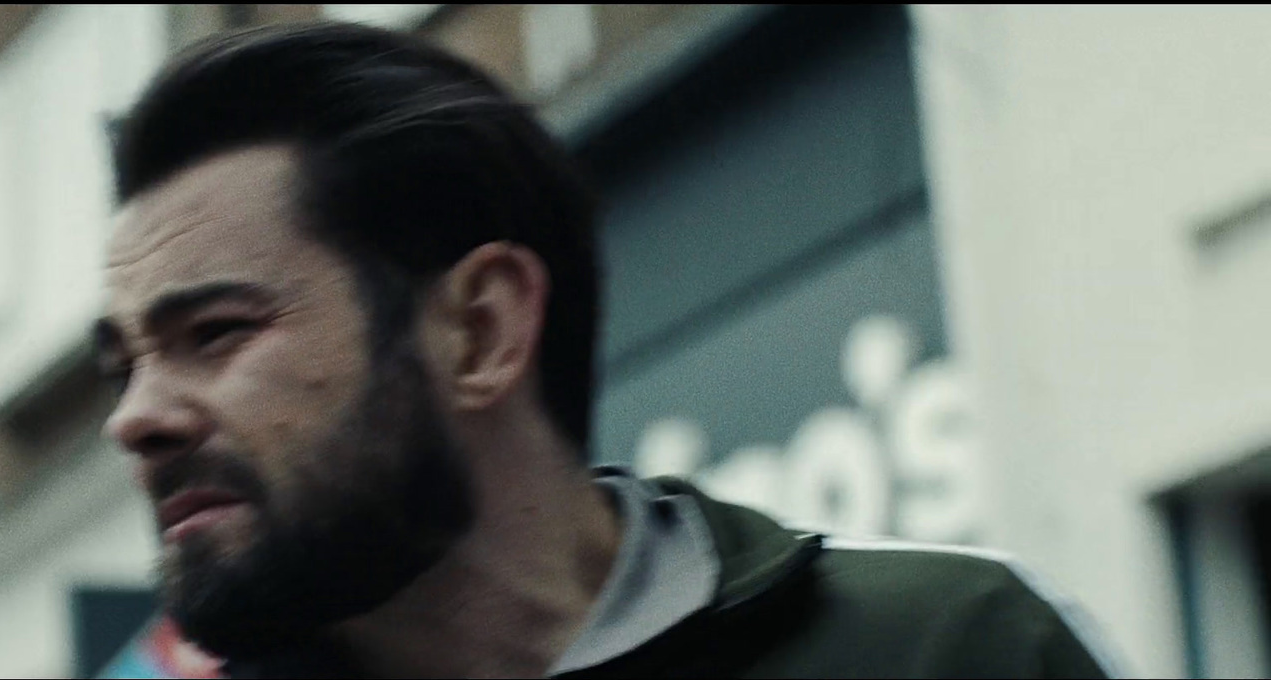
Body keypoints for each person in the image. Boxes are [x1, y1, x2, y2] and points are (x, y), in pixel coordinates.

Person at [93, 21, 1122, 679]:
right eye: (124, 360)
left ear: (480, 330)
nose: (134, 416)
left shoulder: (948, 647)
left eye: (214, 331)